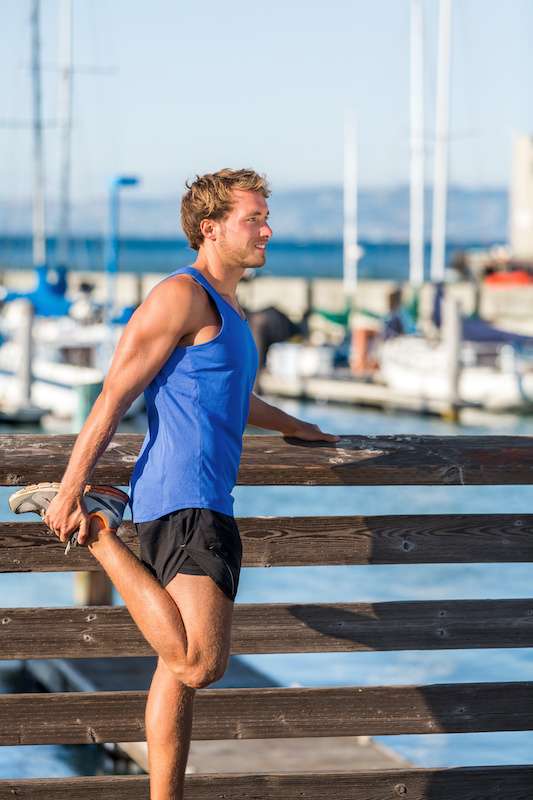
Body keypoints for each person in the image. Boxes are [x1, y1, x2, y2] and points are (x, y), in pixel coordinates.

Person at [40, 168, 339, 800]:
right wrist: (71, 493)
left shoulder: (227, 307)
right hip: (185, 500)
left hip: (199, 499)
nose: (267, 230)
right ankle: (99, 534)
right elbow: (113, 394)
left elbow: (232, 398)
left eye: (265, 217)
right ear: (211, 229)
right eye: (253, 219)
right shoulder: (182, 296)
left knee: (172, 670)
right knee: (201, 663)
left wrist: (298, 426)